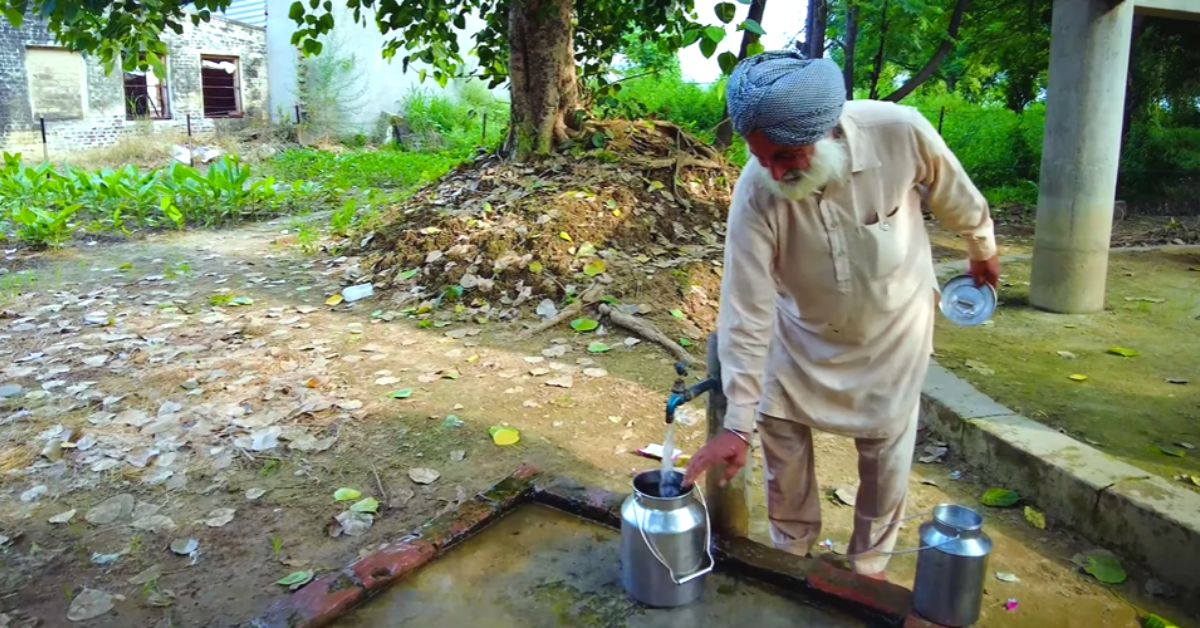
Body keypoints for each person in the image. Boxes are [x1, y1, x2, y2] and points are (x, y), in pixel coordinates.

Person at [681, 50, 999, 580]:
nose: (775, 171)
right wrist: (736, 426)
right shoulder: (758, 191)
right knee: (778, 436)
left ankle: (868, 570)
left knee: (885, 461)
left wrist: (981, 246)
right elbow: (745, 308)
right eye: (761, 157)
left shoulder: (899, 131)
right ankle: (791, 552)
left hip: (892, 334)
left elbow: (955, 192)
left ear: (826, 131)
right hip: (799, 337)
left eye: (786, 155)